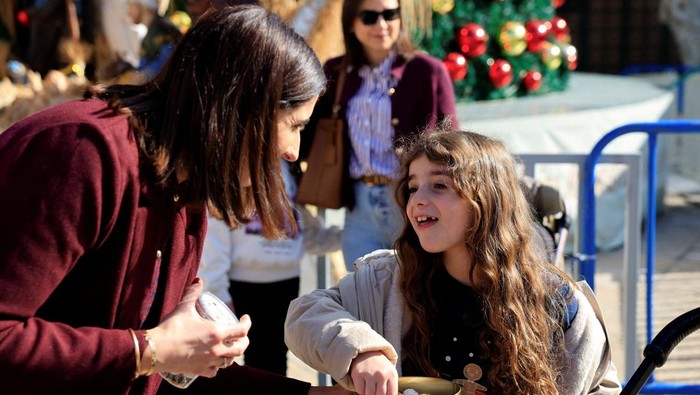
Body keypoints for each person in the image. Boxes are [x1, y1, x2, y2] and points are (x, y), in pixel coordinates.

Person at [0, 5, 348, 395]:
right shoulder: (83, 153)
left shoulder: (182, 190)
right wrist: (149, 349)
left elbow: (170, 371)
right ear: (242, 109)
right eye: (295, 126)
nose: (293, 152)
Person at [285, 129, 622, 394]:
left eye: (439, 185)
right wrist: (361, 351)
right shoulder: (388, 278)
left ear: (487, 200)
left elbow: (601, 387)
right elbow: (304, 315)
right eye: (413, 187)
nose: (418, 199)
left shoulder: (560, 303)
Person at [297, 0, 458, 271]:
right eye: (369, 17)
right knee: (364, 295)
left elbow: (452, 146)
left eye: (390, 14)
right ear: (351, 23)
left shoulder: (428, 71)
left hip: (410, 201)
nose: (381, 25)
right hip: (358, 206)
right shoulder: (336, 71)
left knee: (415, 294)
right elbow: (306, 133)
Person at [198, 160, 342, 376]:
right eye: (293, 127)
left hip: (287, 280)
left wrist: (348, 237)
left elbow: (301, 232)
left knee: (276, 359)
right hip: (244, 283)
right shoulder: (237, 161)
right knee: (242, 364)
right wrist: (219, 291)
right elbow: (216, 230)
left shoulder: (290, 169)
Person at [126, 0, 183, 81]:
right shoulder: (149, 31)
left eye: (131, 6)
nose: (128, 11)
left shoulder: (163, 30)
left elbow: (166, 61)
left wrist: (143, 75)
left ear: (143, 7)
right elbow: (143, 60)